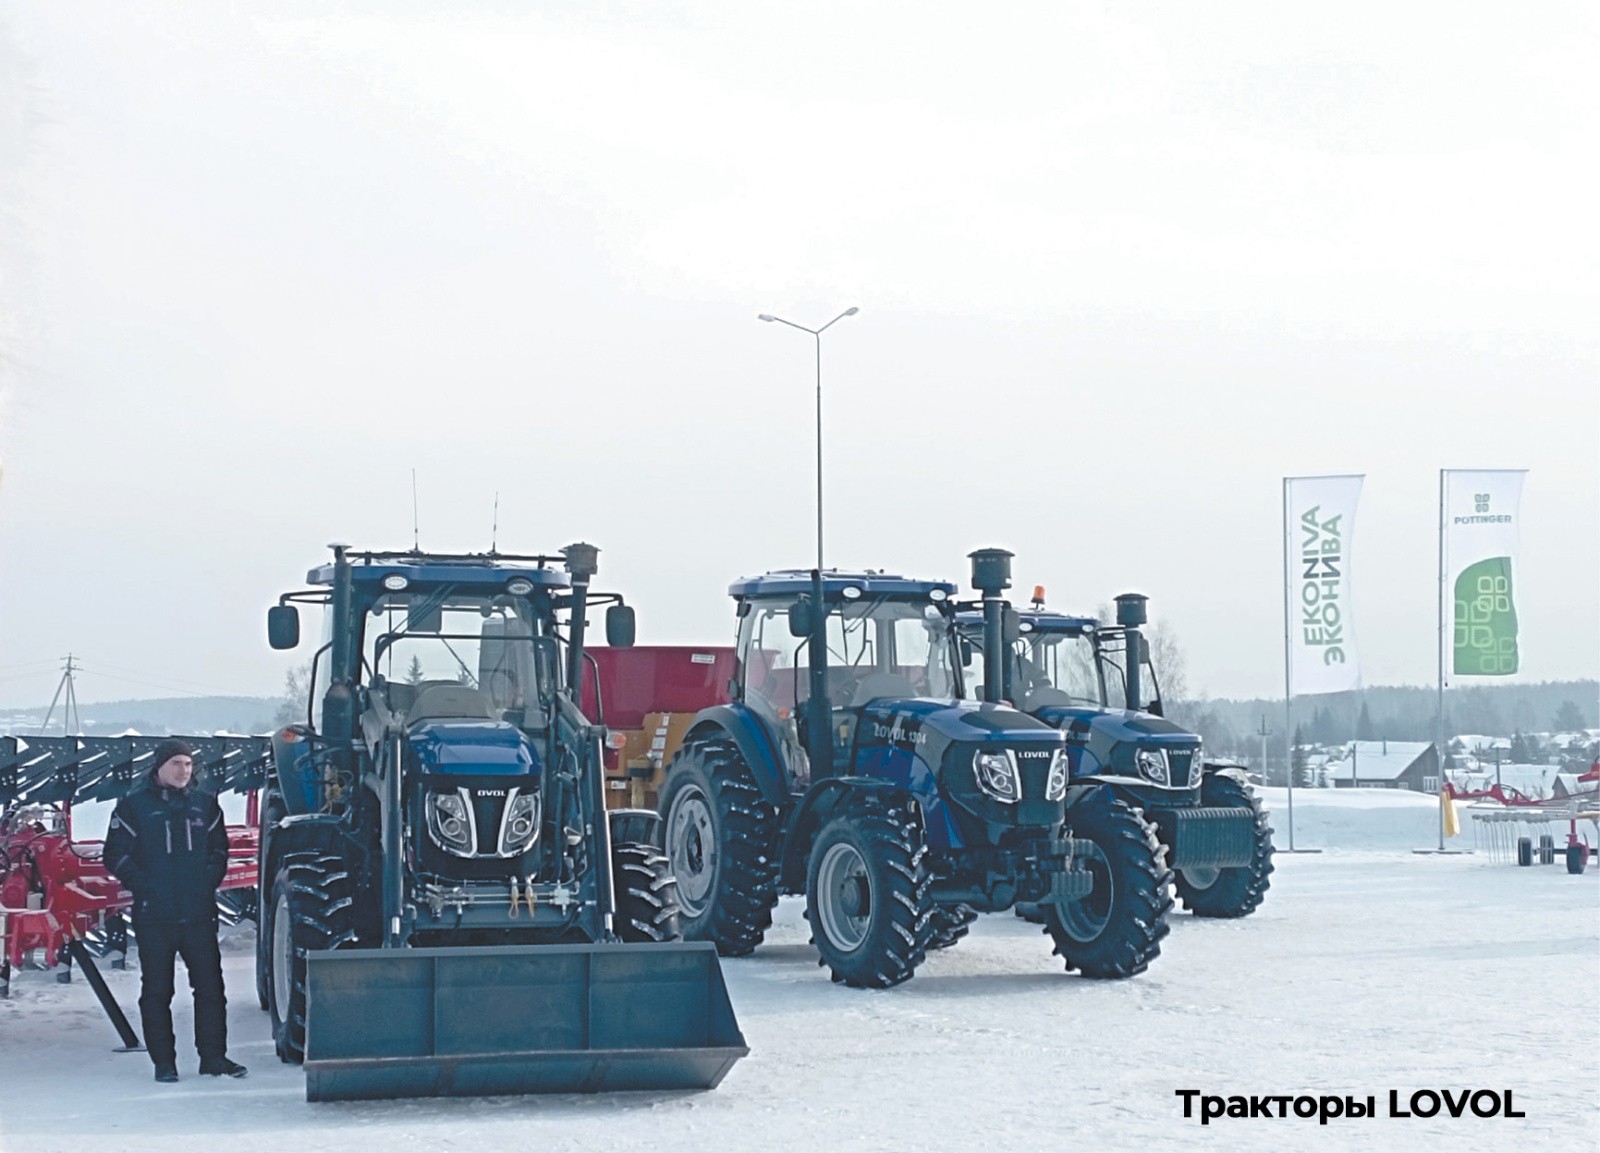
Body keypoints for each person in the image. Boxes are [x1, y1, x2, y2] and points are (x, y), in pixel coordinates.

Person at [103, 739, 247, 1082]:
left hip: (198, 912)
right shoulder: (134, 807)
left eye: (187, 764)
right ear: (159, 768)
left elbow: (219, 850)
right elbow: (115, 853)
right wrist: (144, 885)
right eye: (176, 764)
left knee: (211, 988)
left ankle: (214, 1058)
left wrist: (208, 879)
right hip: (155, 914)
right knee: (157, 991)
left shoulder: (205, 805)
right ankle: (164, 1063)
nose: (183, 771)